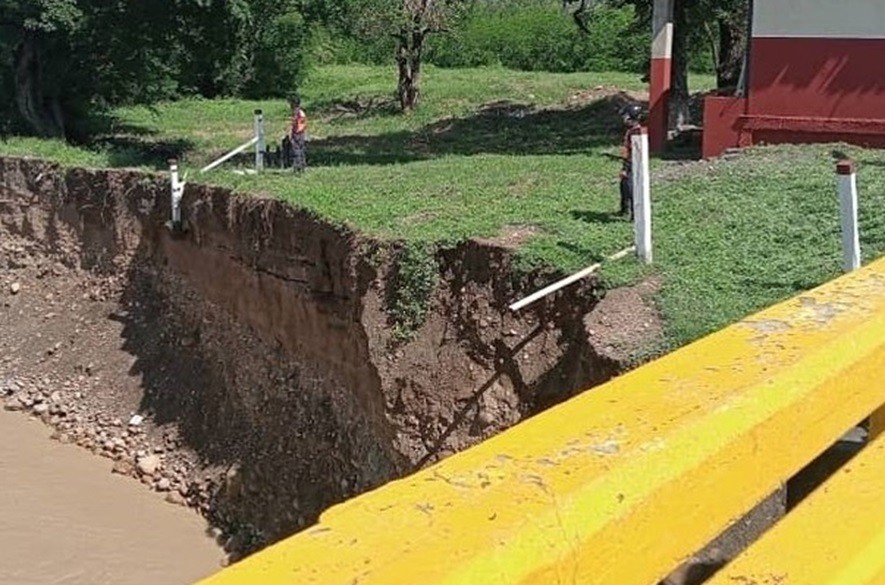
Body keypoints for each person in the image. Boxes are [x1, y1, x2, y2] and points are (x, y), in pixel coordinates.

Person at [618, 104, 644, 220]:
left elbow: (633, 152)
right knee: (624, 186)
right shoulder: (631, 130)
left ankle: (635, 212)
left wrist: (626, 167)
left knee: (630, 187)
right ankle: (624, 208)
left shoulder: (636, 132)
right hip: (629, 162)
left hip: (632, 163)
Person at [288, 96, 308, 172]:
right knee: (299, 149)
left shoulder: (299, 112)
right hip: (298, 132)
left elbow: (302, 123)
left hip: (298, 133)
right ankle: (300, 165)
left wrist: (297, 131)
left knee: (297, 150)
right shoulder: (297, 112)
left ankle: (298, 166)